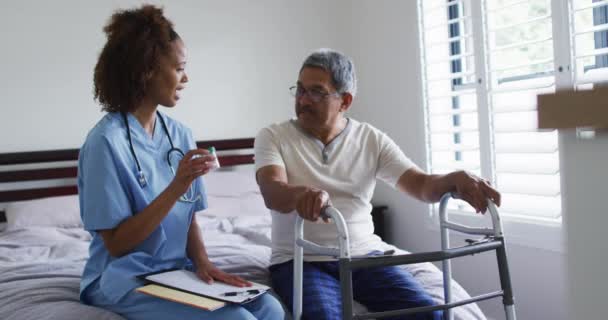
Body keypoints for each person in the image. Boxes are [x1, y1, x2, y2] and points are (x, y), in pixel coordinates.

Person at [254, 48, 501, 320]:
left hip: (364, 256)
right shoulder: (273, 136)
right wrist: (301, 194)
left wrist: (455, 179)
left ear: (345, 101)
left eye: (316, 92)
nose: (303, 100)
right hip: (300, 260)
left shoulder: (371, 139)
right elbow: (272, 190)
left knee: (429, 315)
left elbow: (419, 185)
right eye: (300, 90)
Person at [77, 5, 285, 320]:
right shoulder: (105, 143)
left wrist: (202, 263)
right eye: (179, 68)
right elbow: (118, 245)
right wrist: (177, 184)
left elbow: (188, 217)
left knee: (270, 309)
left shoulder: (179, 135)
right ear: (145, 69)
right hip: (122, 277)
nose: (186, 78)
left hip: (173, 272)